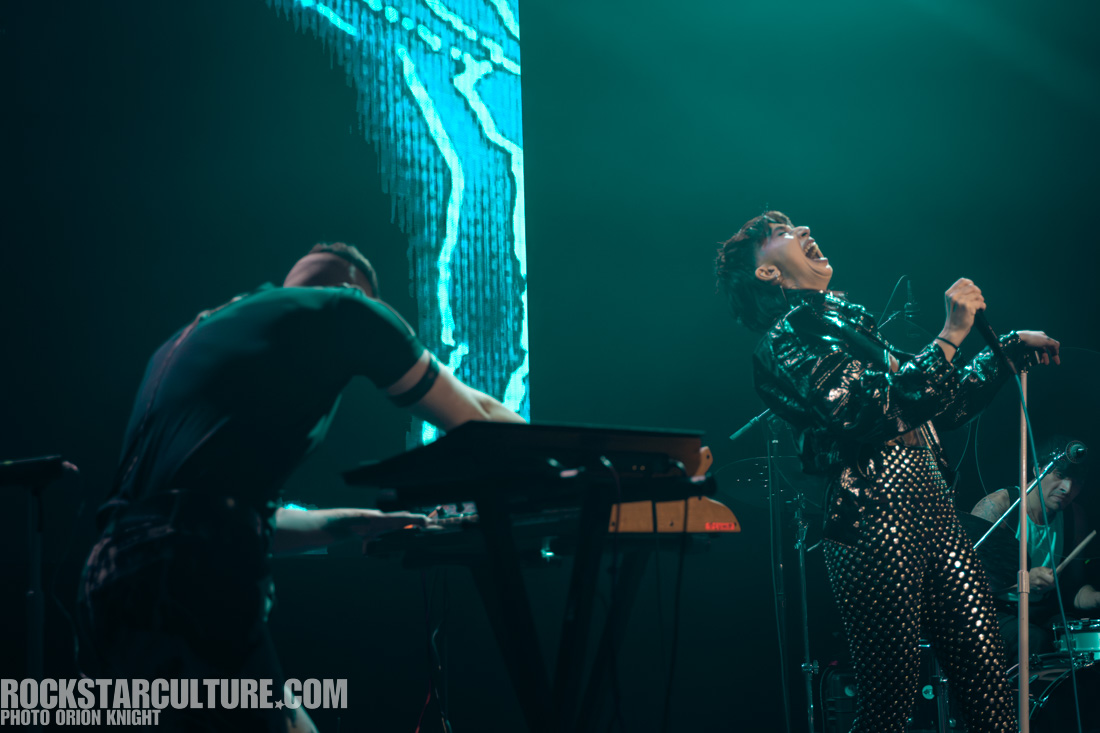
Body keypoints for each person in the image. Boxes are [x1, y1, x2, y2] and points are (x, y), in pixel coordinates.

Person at [78, 242, 525, 732]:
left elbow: (183, 515)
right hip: (193, 577)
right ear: (357, 290)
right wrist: (568, 465)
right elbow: (478, 419)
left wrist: (354, 523)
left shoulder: (192, 337)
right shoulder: (348, 309)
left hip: (107, 581)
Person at [714, 211, 1060, 733]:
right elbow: (862, 410)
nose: (805, 231)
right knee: (889, 701)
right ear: (767, 273)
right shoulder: (785, 340)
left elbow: (937, 403)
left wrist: (1005, 350)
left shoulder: (856, 331)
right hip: (871, 512)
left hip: (935, 508)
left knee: (990, 684)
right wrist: (949, 334)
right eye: (784, 234)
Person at [971, 436, 1098, 661]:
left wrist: (1096, 598)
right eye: (1060, 476)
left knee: (1082, 639)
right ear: (1038, 469)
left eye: (1077, 481)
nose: (1067, 488)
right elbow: (963, 584)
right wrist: (1023, 581)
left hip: (1041, 611)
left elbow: (1073, 590)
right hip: (993, 611)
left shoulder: (1075, 517)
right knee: (1035, 640)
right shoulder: (1001, 507)